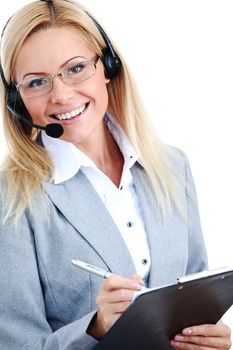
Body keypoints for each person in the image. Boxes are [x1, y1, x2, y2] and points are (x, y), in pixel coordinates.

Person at [0, 0, 231, 349]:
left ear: (109, 66)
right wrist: (93, 328)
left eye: (75, 68)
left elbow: (198, 298)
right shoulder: (13, 199)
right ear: (17, 101)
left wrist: (207, 339)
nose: (61, 95)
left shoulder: (172, 168)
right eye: (36, 82)